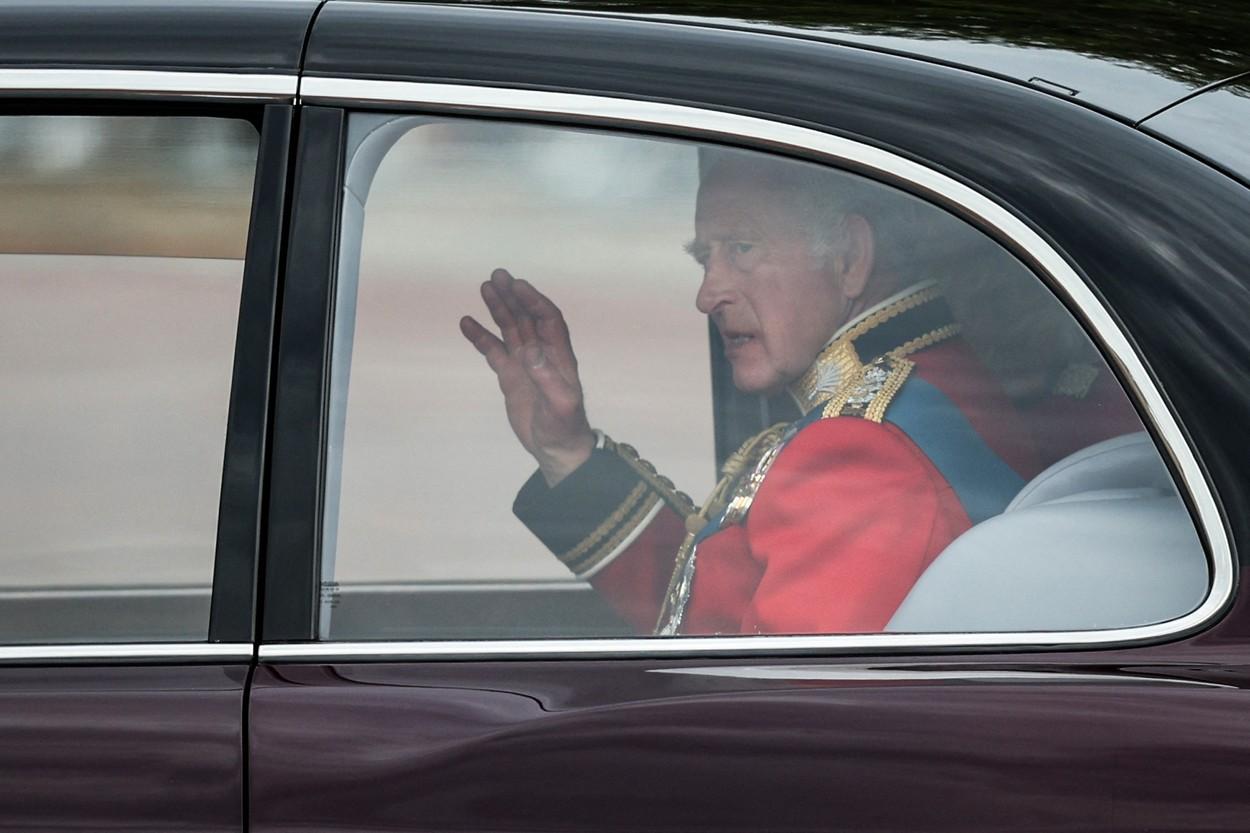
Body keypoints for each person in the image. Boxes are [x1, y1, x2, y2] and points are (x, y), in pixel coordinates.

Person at [460, 151, 1038, 635]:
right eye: (704, 258)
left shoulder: (860, 453)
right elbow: (724, 610)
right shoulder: (924, 389)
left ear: (849, 257)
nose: (707, 294)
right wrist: (569, 451)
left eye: (741, 248)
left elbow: (777, 719)